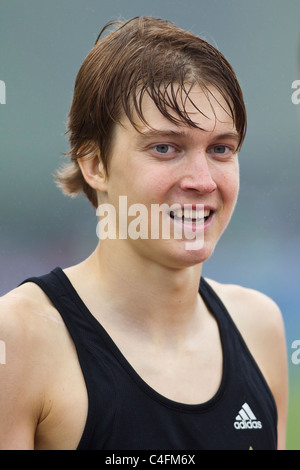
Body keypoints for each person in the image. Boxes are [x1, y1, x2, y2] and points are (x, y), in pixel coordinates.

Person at [0, 16, 288, 450]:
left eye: (220, 149)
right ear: (94, 164)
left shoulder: (259, 327)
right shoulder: (21, 337)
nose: (202, 180)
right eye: (165, 148)